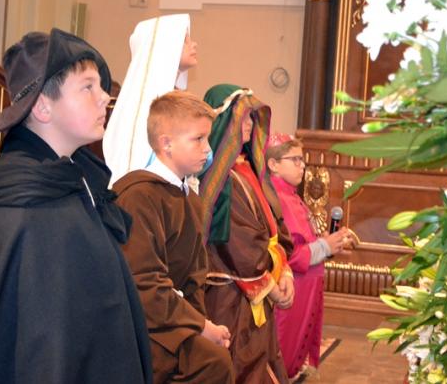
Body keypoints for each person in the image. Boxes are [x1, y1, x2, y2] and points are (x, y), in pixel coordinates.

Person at [0, 29, 152, 384]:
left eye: (101, 87)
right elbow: (35, 340)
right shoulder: (20, 204)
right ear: (42, 106)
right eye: (87, 87)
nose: (105, 97)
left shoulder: (75, 177)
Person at [114, 91, 234, 384]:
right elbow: (143, 282)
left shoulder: (189, 199)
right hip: (141, 324)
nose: (208, 149)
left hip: (171, 319)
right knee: (214, 363)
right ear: (166, 143)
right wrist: (200, 326)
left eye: (207, 138)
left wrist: (201, 325)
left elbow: (195, 278)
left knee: (217, 356)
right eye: (198, 139)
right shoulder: (138, 195)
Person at [199, 84, 294, 384]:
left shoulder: (249, 169)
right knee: (239, 370)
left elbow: (275, 228)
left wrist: (285, 272)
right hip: (230, 300)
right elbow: (239, 245)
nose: (250, 124)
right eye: (243, 117)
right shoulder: (220, 178)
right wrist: (271, 284)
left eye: (253, 117)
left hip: (255, 295)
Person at [266, 133, 352, 379]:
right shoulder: (277, 199)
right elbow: (288, 253)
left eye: (302, 160)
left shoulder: (291, 195)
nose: (302, 165)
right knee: (283, 353)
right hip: (292, 286)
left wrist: (328, 243)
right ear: (273, 165)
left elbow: (302, 241)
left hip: (306, 286)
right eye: (294, 160)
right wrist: (324, 246)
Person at [103, 14, 198, 185]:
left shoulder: (174, 95)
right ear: (166, 45)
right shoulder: (143, 100)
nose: (194, 44)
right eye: (185, 40)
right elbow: (136, 161)